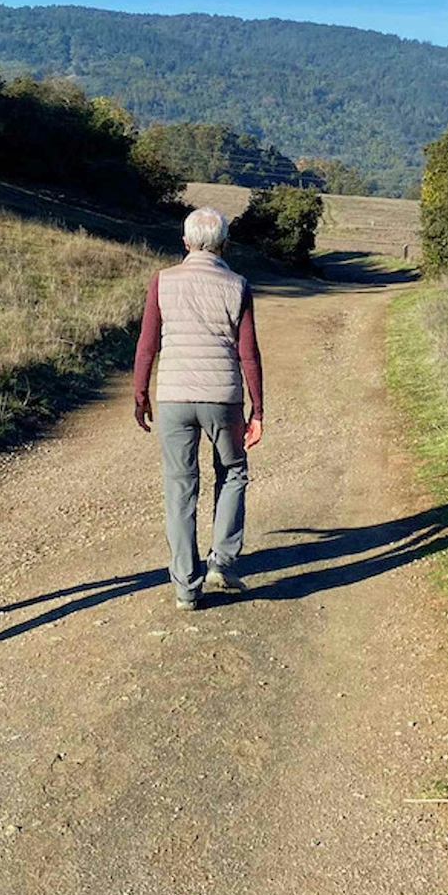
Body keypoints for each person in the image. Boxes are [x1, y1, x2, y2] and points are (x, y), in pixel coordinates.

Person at [134, 207, 264, 610]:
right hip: (223, 397)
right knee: (233, 471)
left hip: (173, 396)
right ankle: (222, 562)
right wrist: (257, 409)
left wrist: (140, 394)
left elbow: (147, 343)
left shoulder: (163, 282)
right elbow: (248, 354)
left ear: (186, 242)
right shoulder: (237, 284)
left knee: (179, 487)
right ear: (224, 244)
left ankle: (186, 588)